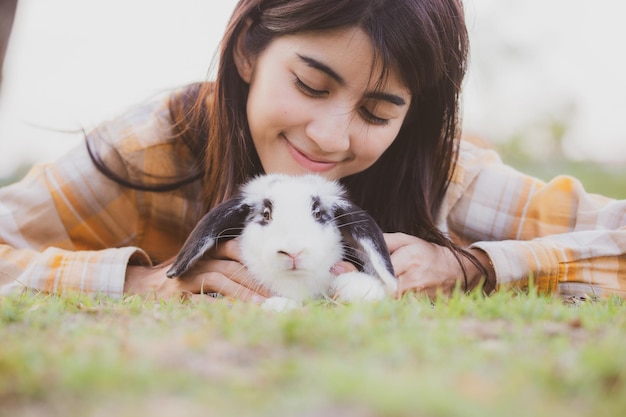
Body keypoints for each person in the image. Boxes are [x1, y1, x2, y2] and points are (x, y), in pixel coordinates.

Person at [0, 0, 624, 302]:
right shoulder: (153, 145)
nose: (331, 136)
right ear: (248, 51)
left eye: (379, 112)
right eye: (309, 85)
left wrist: (474, 267)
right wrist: (137, 282)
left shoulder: (441, 171)